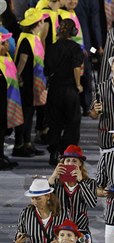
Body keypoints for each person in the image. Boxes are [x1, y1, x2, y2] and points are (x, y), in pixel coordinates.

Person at [48, 145, 98, 243]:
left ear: (80, 164)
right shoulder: (56, 183)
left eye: (74, 161)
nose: (70, 163)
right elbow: (47, 202)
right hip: (59, 231)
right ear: (63, 163)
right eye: (68, 160)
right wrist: (53, 177)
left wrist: (81, 182)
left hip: (80, 231)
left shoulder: (90, 183)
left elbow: (92, 203)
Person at [12, 8, 48, 158]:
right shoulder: (27, 39)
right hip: (26, 83)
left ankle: (27, 143)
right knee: (25, 115)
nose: (43, 24)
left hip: (32, 83)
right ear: (37, 23)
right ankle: (20, 145)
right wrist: (17, 77)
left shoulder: (32, 36)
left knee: (29, 113)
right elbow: (22, 61)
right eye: (42, 21)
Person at [16, 178, 66, 243]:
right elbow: (19, 236)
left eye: (38, 198)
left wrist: (60, 241)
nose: (35, 202)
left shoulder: (61, 214)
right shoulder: (26, 213)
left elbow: (70, 235)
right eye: (32, 198)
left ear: (47, 196)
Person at [0, 31, 22, 170]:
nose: (7, 45)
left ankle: (1, 156)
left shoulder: (7, 57)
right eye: (3, 43)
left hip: (9, 102)